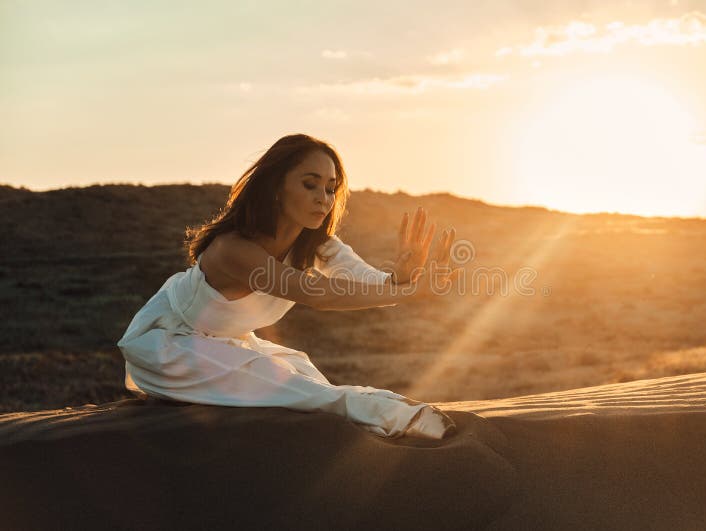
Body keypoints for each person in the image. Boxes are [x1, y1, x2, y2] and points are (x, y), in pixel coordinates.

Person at [117, 133, 462, 439]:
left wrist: (401, 278)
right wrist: (410, 291)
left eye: (330, 189)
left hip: (228, 346)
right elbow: (319, 294)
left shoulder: (319, 246)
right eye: (310, 185)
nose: (323, 199)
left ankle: (388, 416)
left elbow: (366, 281)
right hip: (169, 348)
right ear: (277, 187)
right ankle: (396, 417)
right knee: (294, 390)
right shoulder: (233, 249)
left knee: (304, 383)